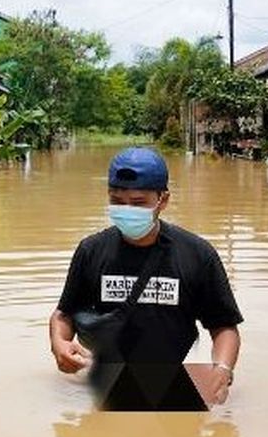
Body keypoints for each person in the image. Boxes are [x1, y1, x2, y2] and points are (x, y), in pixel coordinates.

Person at [48, 147, 243, 409]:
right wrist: (59, 344)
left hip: (173, 382)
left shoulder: (197, 255)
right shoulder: (91, 251)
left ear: (163, 200)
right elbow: (64, 315)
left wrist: (221, 369)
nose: (126, 209)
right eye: (117, 201)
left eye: (138, 203)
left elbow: (224, 327)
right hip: (105, 383)